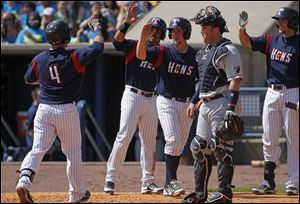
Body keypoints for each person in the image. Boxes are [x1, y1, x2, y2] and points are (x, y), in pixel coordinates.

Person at [15, 19, 104, 203]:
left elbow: (28, 79)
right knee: (72, 153)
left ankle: (24, 180)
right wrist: (97, 28)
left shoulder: (39, 58)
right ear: (66, 37)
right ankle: (77, 194)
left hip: (44, 109)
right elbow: (98, 48)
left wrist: (48, 81)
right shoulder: (73, 56)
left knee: (38, 148)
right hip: (65, 109)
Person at [103, 3, 166, 195]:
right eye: (151, 29)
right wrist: (125, 24)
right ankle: (110, 178)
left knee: (149, 142)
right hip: (132, 95)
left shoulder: (162, 53)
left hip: (151, 99)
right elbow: (116, 42)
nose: (153, 33)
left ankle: (147, 182)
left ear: (162, 35)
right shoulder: (133, 45)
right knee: (124, 136)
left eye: (157, 31)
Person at [185, 6, 243, 203]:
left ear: (216, 28)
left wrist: (230, 110)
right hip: (205, 104)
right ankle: (200, 194)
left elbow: (235, 80)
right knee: (198, 147)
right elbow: (202, 83)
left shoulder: (227, 49)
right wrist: (195, 101)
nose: (201, 30)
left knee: (219, 147)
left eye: (205, 26)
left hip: (222, 102)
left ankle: (225, 193)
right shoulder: (202, 53)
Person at [239, 7, 299, 196]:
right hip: (272, 92)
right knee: (269, 138)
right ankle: (268, 181)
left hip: (293, 92)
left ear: (292, 22)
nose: (279, 23)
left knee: (293, 139)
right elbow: (247, 43)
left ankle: (293, 182)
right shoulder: (271, 41)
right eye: (279, 20)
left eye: (282, 20)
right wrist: (242, 29)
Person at [136, 16, 199, 197]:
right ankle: (171, 181)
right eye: (172, 31)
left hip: (187, 103)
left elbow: (202, 80)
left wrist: (195, 101)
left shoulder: (194, 56)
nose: (173, 33)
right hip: (166, 101)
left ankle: (168, 183)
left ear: (186, 33)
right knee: (172, 140)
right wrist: (142, 37)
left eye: (177, 30)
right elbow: (141, 55)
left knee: (179, 145)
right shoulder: (164, 51)